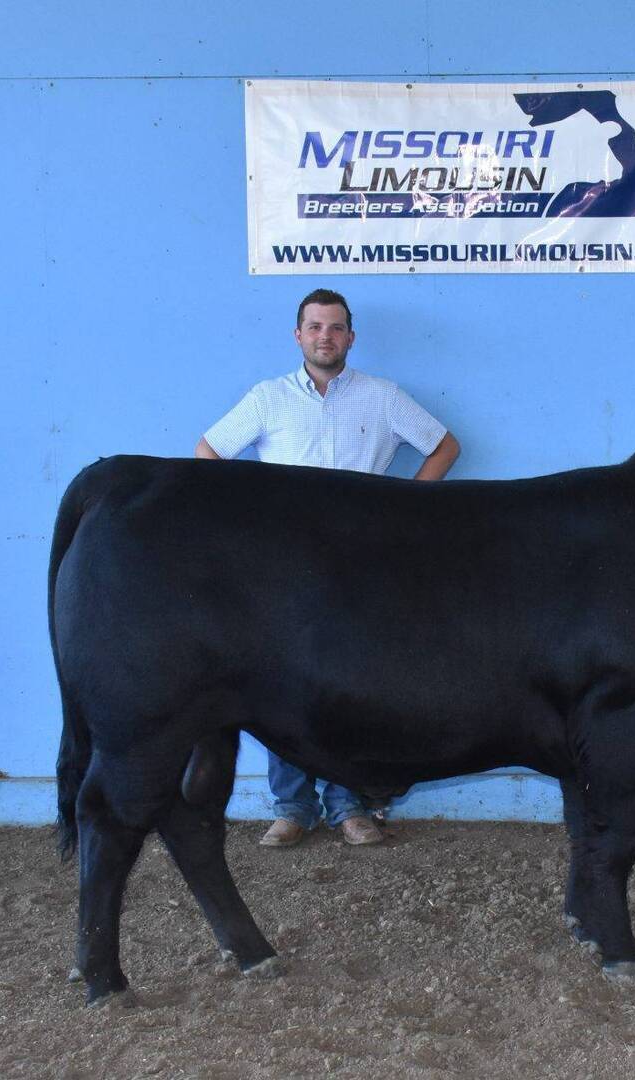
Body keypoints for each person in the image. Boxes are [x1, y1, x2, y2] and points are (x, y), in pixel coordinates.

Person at [197, 287, 461, 848]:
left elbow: (444, 447)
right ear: (298, 335)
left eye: (336, 327)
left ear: (351, 337)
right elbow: (209, 453)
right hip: (284, 566)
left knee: (355, 682)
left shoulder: (382, 397)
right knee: (279, 682)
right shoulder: (267, 398)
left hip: (362, 565)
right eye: (315, 327)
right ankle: (292, 808)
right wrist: (251, 521)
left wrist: (405, 507)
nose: (326, 337)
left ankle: (348, 805)